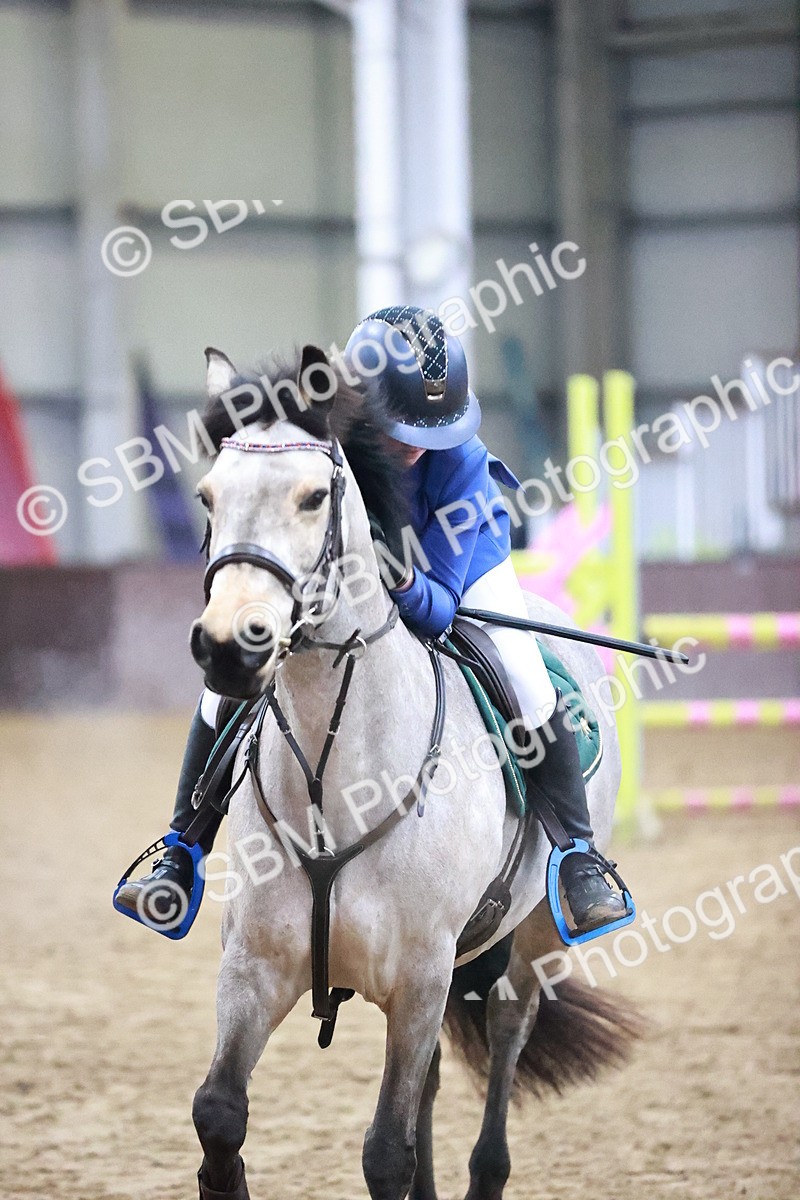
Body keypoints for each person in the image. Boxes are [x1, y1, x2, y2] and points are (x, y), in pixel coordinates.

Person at [116, 306, 626, 934]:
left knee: (525, 673)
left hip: (460, 563)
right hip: (352, 582)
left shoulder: (458, 464)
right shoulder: (329, 445)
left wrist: (402, 580)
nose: (415, 446)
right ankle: (181, 848)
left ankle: (579, 855)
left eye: (431, 432)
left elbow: (440, 605)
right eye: (397, 430)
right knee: (223, 687)